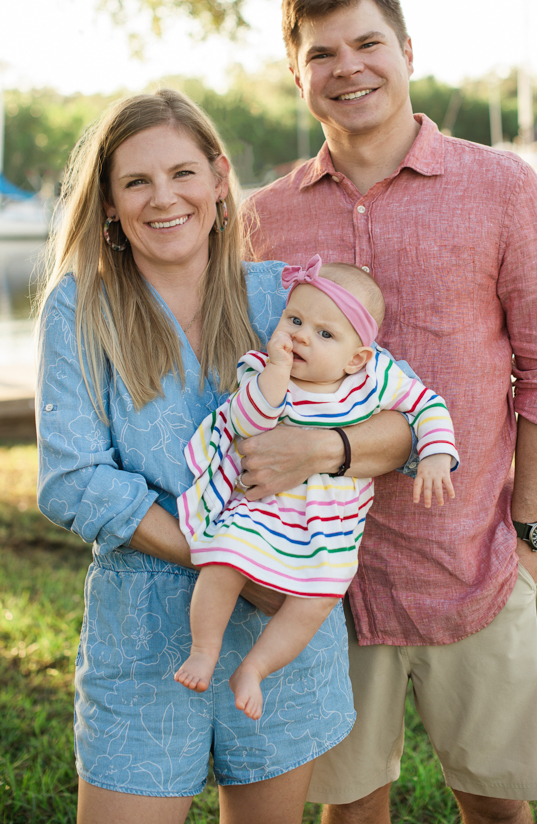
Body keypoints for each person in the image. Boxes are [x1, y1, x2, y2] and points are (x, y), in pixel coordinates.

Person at [242, 0, 537, 824]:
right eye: (323, 52)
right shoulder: (262, 219)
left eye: (367, 43)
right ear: (298, 73)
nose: (349, 66)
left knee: (498, 810)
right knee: (350, 810)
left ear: (406, 51)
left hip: (471, 561)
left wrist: (530, 537)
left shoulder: (502, 187)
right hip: (319, 582)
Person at [36, 87, 415, 824]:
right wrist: (239, 565)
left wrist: (320, 448)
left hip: (280, 646)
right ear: (110, 204)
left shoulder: (288, 298)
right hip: (145, 636)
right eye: (135, 181)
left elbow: (399, 427)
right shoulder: (82, 309)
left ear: (218, 179)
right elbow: (72, 482)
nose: (163, 198)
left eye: (182, 173)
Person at [174, 255, 458, 716]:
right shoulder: (263, 370)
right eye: (295, 320)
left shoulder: (376, 378)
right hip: (265, 508)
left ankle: (256, 668)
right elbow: (247, 423)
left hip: (332, 523)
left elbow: (428, 406)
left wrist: (436, 455)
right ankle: (203, 650)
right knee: (223, 562)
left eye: (325, 334)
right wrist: (275, 376)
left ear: (357, 357)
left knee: (318, 599)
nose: (301, 336)